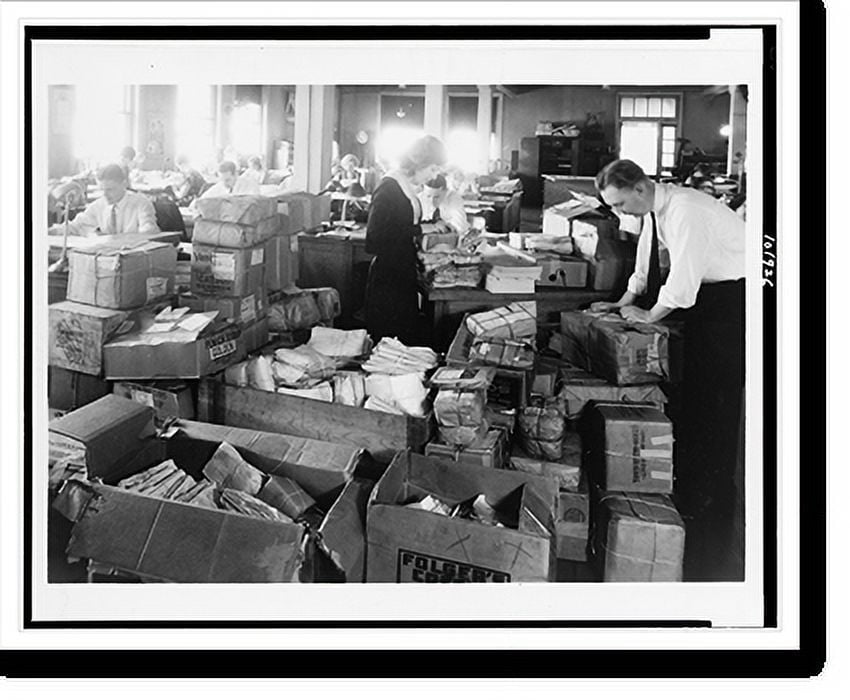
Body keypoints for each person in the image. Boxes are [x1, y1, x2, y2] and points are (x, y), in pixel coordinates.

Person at [590, 159, 745, 518]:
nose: (618, 212)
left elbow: (684, 278)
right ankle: (692, 478)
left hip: (732, 300)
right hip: (708, 299)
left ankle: (714, 494)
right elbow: (644, 265)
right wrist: (621, 303)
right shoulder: (656, 210)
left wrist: (648, 315)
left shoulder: (685, 209)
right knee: (696, 393)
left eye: (620, 204)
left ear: (640, 188)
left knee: (717, 399)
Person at [364, 135, 447, 345]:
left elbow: (401, 222)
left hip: (402, 271)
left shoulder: (405, 187)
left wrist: (431, 224)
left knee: (404, 337)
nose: (434, 175)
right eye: (433, 169)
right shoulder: (389, 187)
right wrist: (420, 228)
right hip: (389, 277)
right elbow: (375, 238)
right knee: (390, 340)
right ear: (419, 164)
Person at [49, 163, 159, 236]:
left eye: (110, 189)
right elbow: (77, 226)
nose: (105, 195)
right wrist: (51, 232)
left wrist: (125, 241)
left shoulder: (141, 203)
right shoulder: (99, 205)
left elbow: (149, 231)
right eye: (102, 190)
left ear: (124, 184)